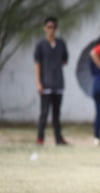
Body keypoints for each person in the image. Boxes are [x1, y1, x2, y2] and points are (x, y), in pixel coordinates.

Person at [34, 16, 69, 145]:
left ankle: (58, 139)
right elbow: (37, 65)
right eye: (49, 27)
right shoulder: (40, 46)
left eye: (53, 27)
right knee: (44, 113)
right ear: (45, 28)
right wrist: (38, 83)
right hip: (45, 84)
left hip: (58, 84)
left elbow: (65, 60)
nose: (51, 30)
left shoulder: (61, 44)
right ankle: (40, 138)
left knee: (56, 114)